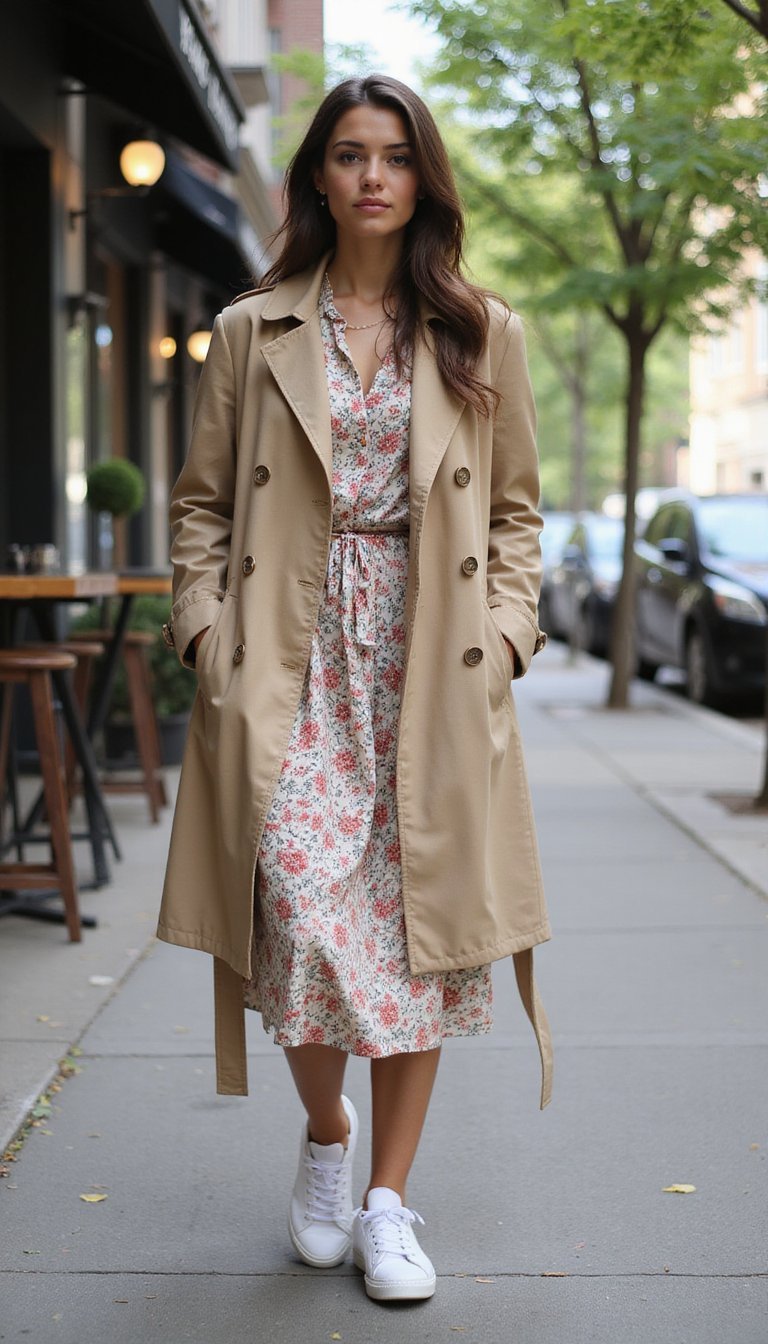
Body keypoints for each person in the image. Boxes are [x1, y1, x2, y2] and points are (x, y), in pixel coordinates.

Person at [158, 74, 552, 1305]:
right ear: (318, 178)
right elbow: (205, 509)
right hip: (289, 653)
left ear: (422, 176)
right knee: (305, 923)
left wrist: (510, 637)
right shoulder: (252, 327)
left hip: (432, 661)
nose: (371, 176)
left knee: (414, 938)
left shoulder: (479, 329)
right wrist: (205, 637)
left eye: (392, 155)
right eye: (346, 154)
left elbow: (519, 513)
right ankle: (325, 1135)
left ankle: (387, 1198)